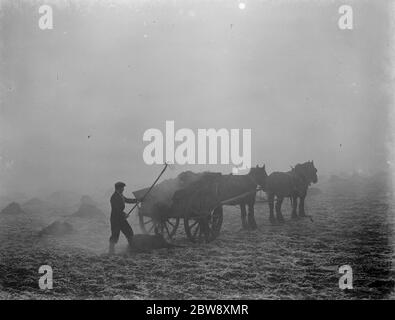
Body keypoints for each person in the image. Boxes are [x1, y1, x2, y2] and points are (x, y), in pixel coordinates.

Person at [109, 181, 138, 255]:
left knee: (129, 232)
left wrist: (137, 200)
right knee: (115, 235)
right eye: (122, 188)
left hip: (121, 218)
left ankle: (132, 248)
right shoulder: (114, 197)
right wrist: (124, 214)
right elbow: (116, 209)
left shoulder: (120, 195)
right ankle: (111, 251)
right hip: (115, 219)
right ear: (118, 188)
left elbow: (127, 200)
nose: (123, 189)